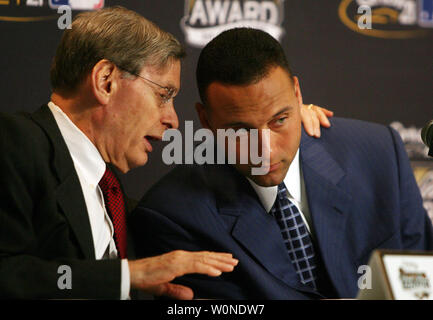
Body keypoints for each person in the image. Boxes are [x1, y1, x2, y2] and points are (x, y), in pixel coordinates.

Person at [0, 7, 328, 300]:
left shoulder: (121, 206)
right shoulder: (14, 142)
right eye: (164, 94)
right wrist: (130, 275)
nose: (172, 120)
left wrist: (287, 117)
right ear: (106, 81)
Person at [131, 28, 433, 299]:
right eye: (240, 131)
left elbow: (422, 279)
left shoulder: (379, 154)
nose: (266, 151)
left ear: (298, 94)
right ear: (206, 121)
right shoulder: (174, 216)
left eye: (280, 120)